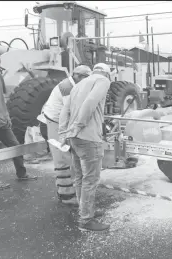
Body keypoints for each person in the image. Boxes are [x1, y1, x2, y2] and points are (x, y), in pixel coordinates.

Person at [59, 63, 112, 231]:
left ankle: (85, 211)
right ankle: (86, 220)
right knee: (91, 179)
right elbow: (91, 102)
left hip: (73, 137)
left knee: (80, 177)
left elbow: (64, 110)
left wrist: (65, 132)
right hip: (88, 137)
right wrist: (79, 125)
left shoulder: (78, 85)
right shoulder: (102, 80)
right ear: (107, 74)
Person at [0, 50, 37, 190]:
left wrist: (7, 115)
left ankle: (22, 174)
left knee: (15, 146)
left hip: (2, 119)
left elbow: (1, 98)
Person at [43, 65, 92, 205]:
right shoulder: (67, 88)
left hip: (60, 122)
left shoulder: (73, 85)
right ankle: (66, 196)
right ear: (78, 76)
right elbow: (70, 112)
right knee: (63, 158)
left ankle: (67, 192)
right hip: (56, 123)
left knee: (68, 156)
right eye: (86, 78)